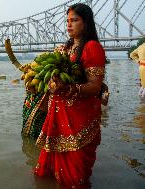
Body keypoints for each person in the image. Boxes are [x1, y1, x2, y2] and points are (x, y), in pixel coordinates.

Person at [33, 3, 105, 189]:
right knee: (54, 170)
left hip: (80, 120)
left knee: (76, 177)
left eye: (74, 20)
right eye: (67, 21)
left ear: (86, 23)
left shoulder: (92, 47)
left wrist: (71, 88)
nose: (69, 25)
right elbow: (51, 77)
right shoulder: (62, 49)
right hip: (58, 116)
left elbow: (95, 87)